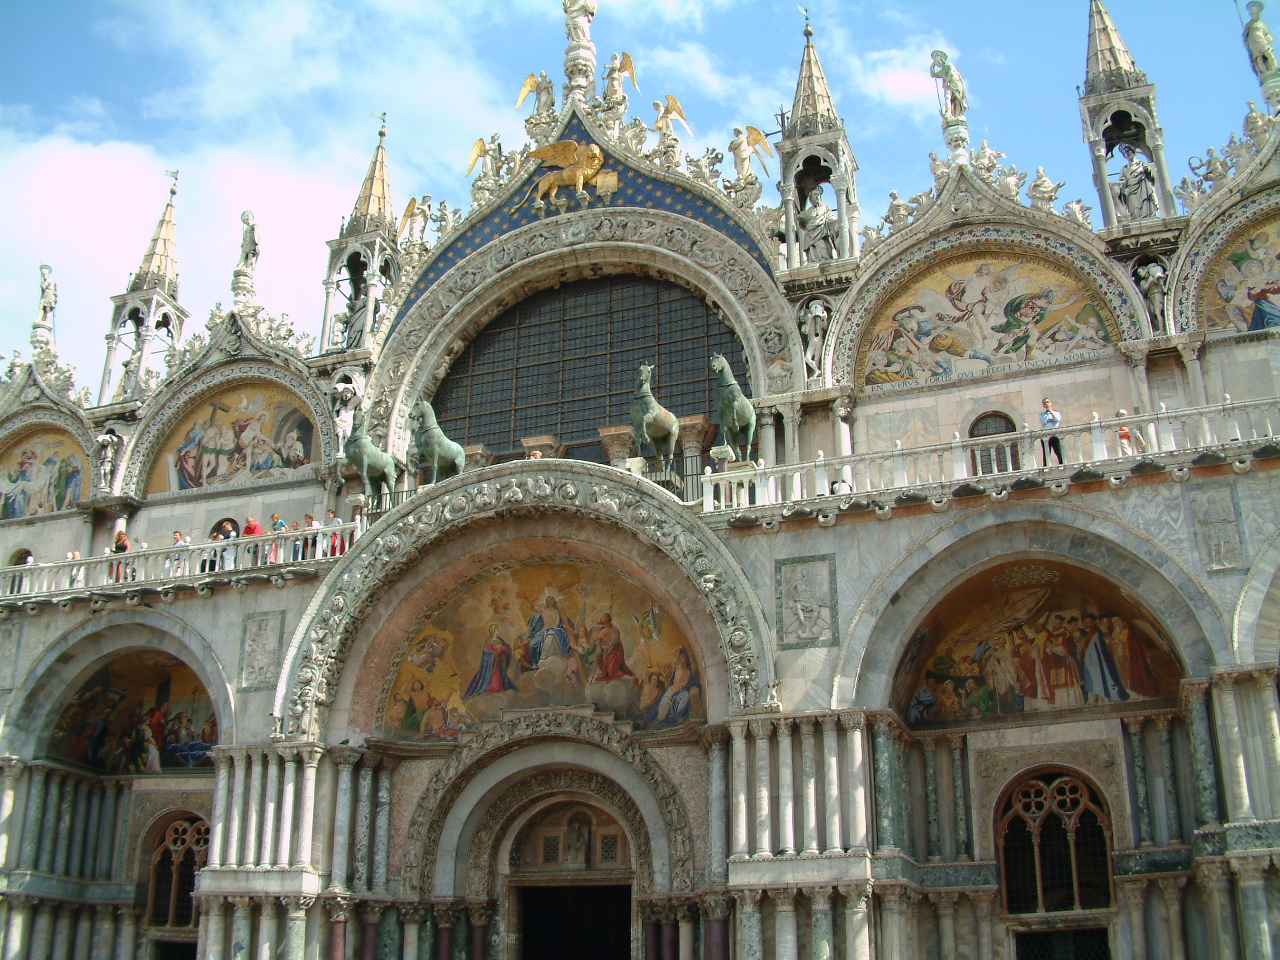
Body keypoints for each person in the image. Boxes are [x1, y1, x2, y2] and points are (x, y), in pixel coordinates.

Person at [1116, 143, 1158, 221]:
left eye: (1128, 151)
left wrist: (1147, 171)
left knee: (1145, 204)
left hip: (1142, 187)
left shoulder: (1141, 164)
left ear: (1133, 152)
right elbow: (1122, 181)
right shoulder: (1124, 169)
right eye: (1125, 152)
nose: (1127, 153)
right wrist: (1122, 185)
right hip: (1131, 191)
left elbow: (1151, 177)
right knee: (1134, 210)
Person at [1039, 398, 1063, 466]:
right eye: (1044, 403)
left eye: (1047, 402)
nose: (1046, 404)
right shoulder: (1042, 415)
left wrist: (1051, 413)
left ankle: (1062, 464)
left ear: (1051, 403)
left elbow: (1057, 419)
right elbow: (1043, 421)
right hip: (1046, 435)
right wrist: (1052, 420)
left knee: (1058, 450)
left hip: (1055, 434)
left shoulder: (1056, 413)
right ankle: (1045, 466)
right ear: (1043, 405)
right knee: (1046, 452)